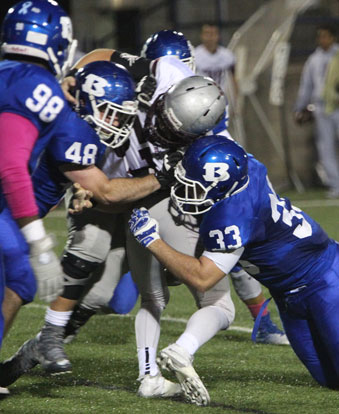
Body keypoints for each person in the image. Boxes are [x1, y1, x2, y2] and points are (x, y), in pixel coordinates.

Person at [129, 134, 339, 402]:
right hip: (287, 294)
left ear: (221, 189)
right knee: (329, 379)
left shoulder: (233, 215)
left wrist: (153, 241)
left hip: (325, 280)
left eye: (193, 187)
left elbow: (204, 278)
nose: (183, 192)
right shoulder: (245, 168)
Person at [140, 29, 288, 346]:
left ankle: (263, 319)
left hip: (196, 178)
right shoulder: (154, 91)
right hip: (165, 185)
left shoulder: (197, 97)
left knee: (233, 244)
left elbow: (221, 144)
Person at [0, 0, 78, 353]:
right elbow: (11, 166)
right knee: (21, 263)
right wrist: (41, 244)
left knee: (19, 277)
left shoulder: (10, 73)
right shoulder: (34, 83)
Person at [294, 23, 339, 199]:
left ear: (332, 37)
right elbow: (306, 85)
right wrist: (299, 107)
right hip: (321, 108)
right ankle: (336, 185)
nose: (322, 40)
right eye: (320, 36)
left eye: (325, 36)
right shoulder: (314, 59)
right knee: (325, 148)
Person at [195, 23, 238, 106]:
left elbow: (234, 78)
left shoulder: (227, 55)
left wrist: (236, 100)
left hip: (223, 99)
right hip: (202, 100)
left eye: (213, 34)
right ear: (201, 36)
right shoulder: (195, 55)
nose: (210, 37)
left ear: (218, 36)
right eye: (207, 34)